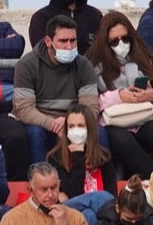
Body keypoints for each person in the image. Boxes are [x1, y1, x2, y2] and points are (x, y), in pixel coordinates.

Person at [89, 11, 153, 182]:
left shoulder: (148, 59)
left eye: (125, 38)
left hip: (143, 118)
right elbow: (89, 103)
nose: (121, 44)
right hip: (113, 123)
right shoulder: (92, 65)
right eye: (114, 41)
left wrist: (152, 95)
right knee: (121, 140)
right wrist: (119, 96)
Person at [11, 14, 99, 166]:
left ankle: (97, 180)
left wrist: (70, 123)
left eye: (73, 40)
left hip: (73, 121)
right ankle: (39, 180)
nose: (69, 46)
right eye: (63, 41)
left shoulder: (84, 65)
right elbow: (24, 109)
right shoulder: (26, 65)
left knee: (100, 132)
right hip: (41, 123)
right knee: (34, 134)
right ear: (48, 41)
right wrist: (52, 124)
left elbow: (91, 107)